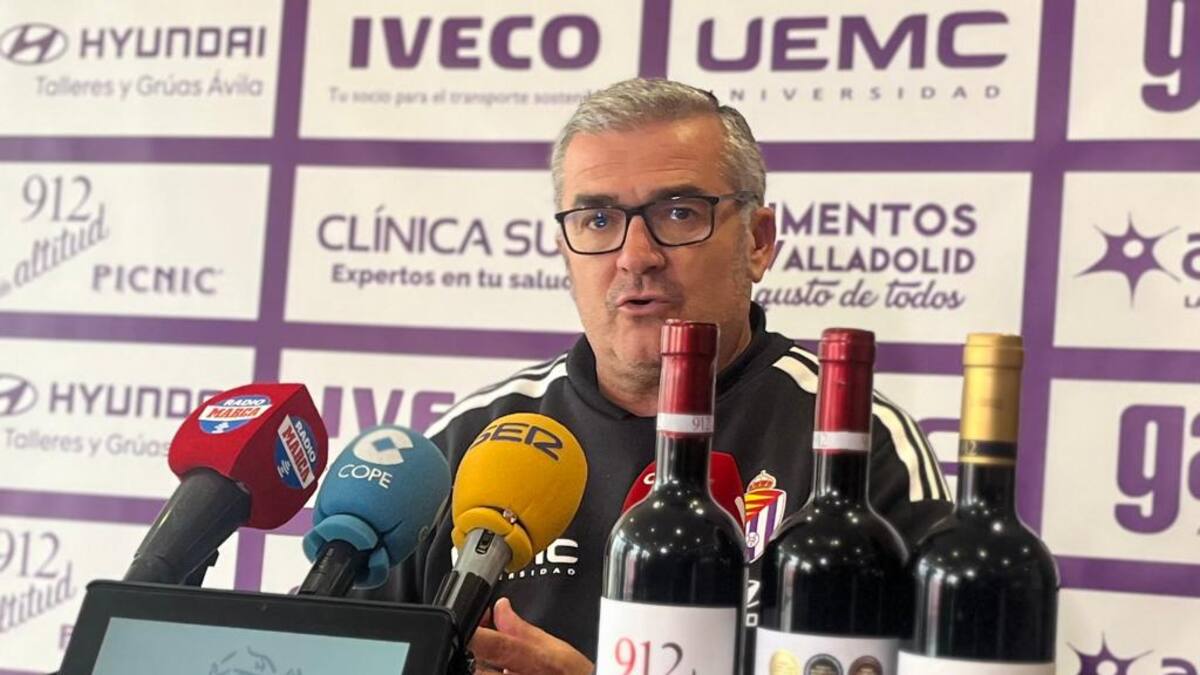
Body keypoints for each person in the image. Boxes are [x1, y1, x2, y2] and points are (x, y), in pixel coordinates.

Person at [409, 78, 952, 674]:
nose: (635, 255)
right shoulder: (470, 440)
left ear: (758, 242)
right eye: (597, 219)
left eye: (678, 212)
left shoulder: (856, 444)